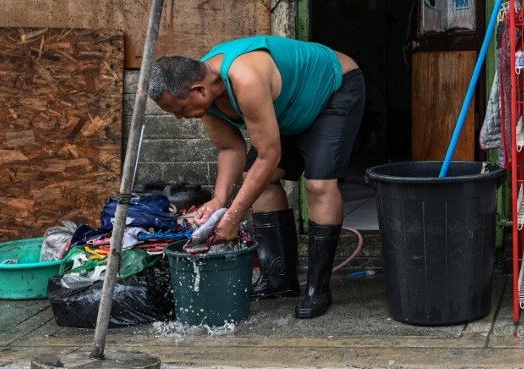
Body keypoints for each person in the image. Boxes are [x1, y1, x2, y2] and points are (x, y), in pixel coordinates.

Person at [148, 36, 365, 319]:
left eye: (178, 109)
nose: (179, 117)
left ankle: (318, 288)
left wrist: (234, 217)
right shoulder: (205, 94)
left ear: (198, 89)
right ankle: (279, 280)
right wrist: (219, 200)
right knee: (258, 180)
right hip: (289, 109)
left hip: (333, 91)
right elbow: (229, 147)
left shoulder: (245, 78)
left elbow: (269, 155)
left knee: (318, 185)